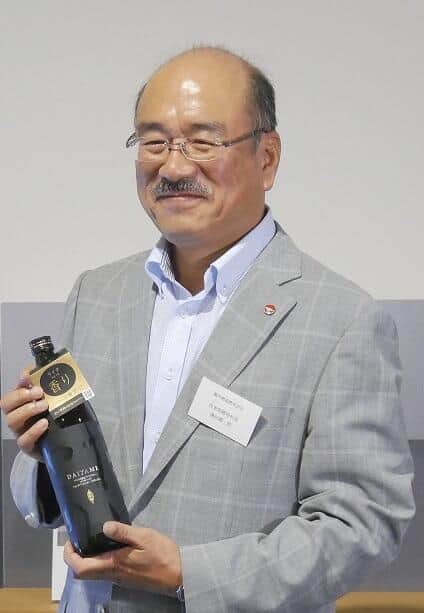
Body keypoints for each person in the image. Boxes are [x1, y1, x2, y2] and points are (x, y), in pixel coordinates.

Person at [0, 45, 415, 613]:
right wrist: (44, 456)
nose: (173, 168)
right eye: (154, 142)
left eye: (202, 142)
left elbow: (362, 526)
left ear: (267, 158)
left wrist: (188, 573)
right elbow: (49, 495)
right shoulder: (97, 294)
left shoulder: (341, 321)